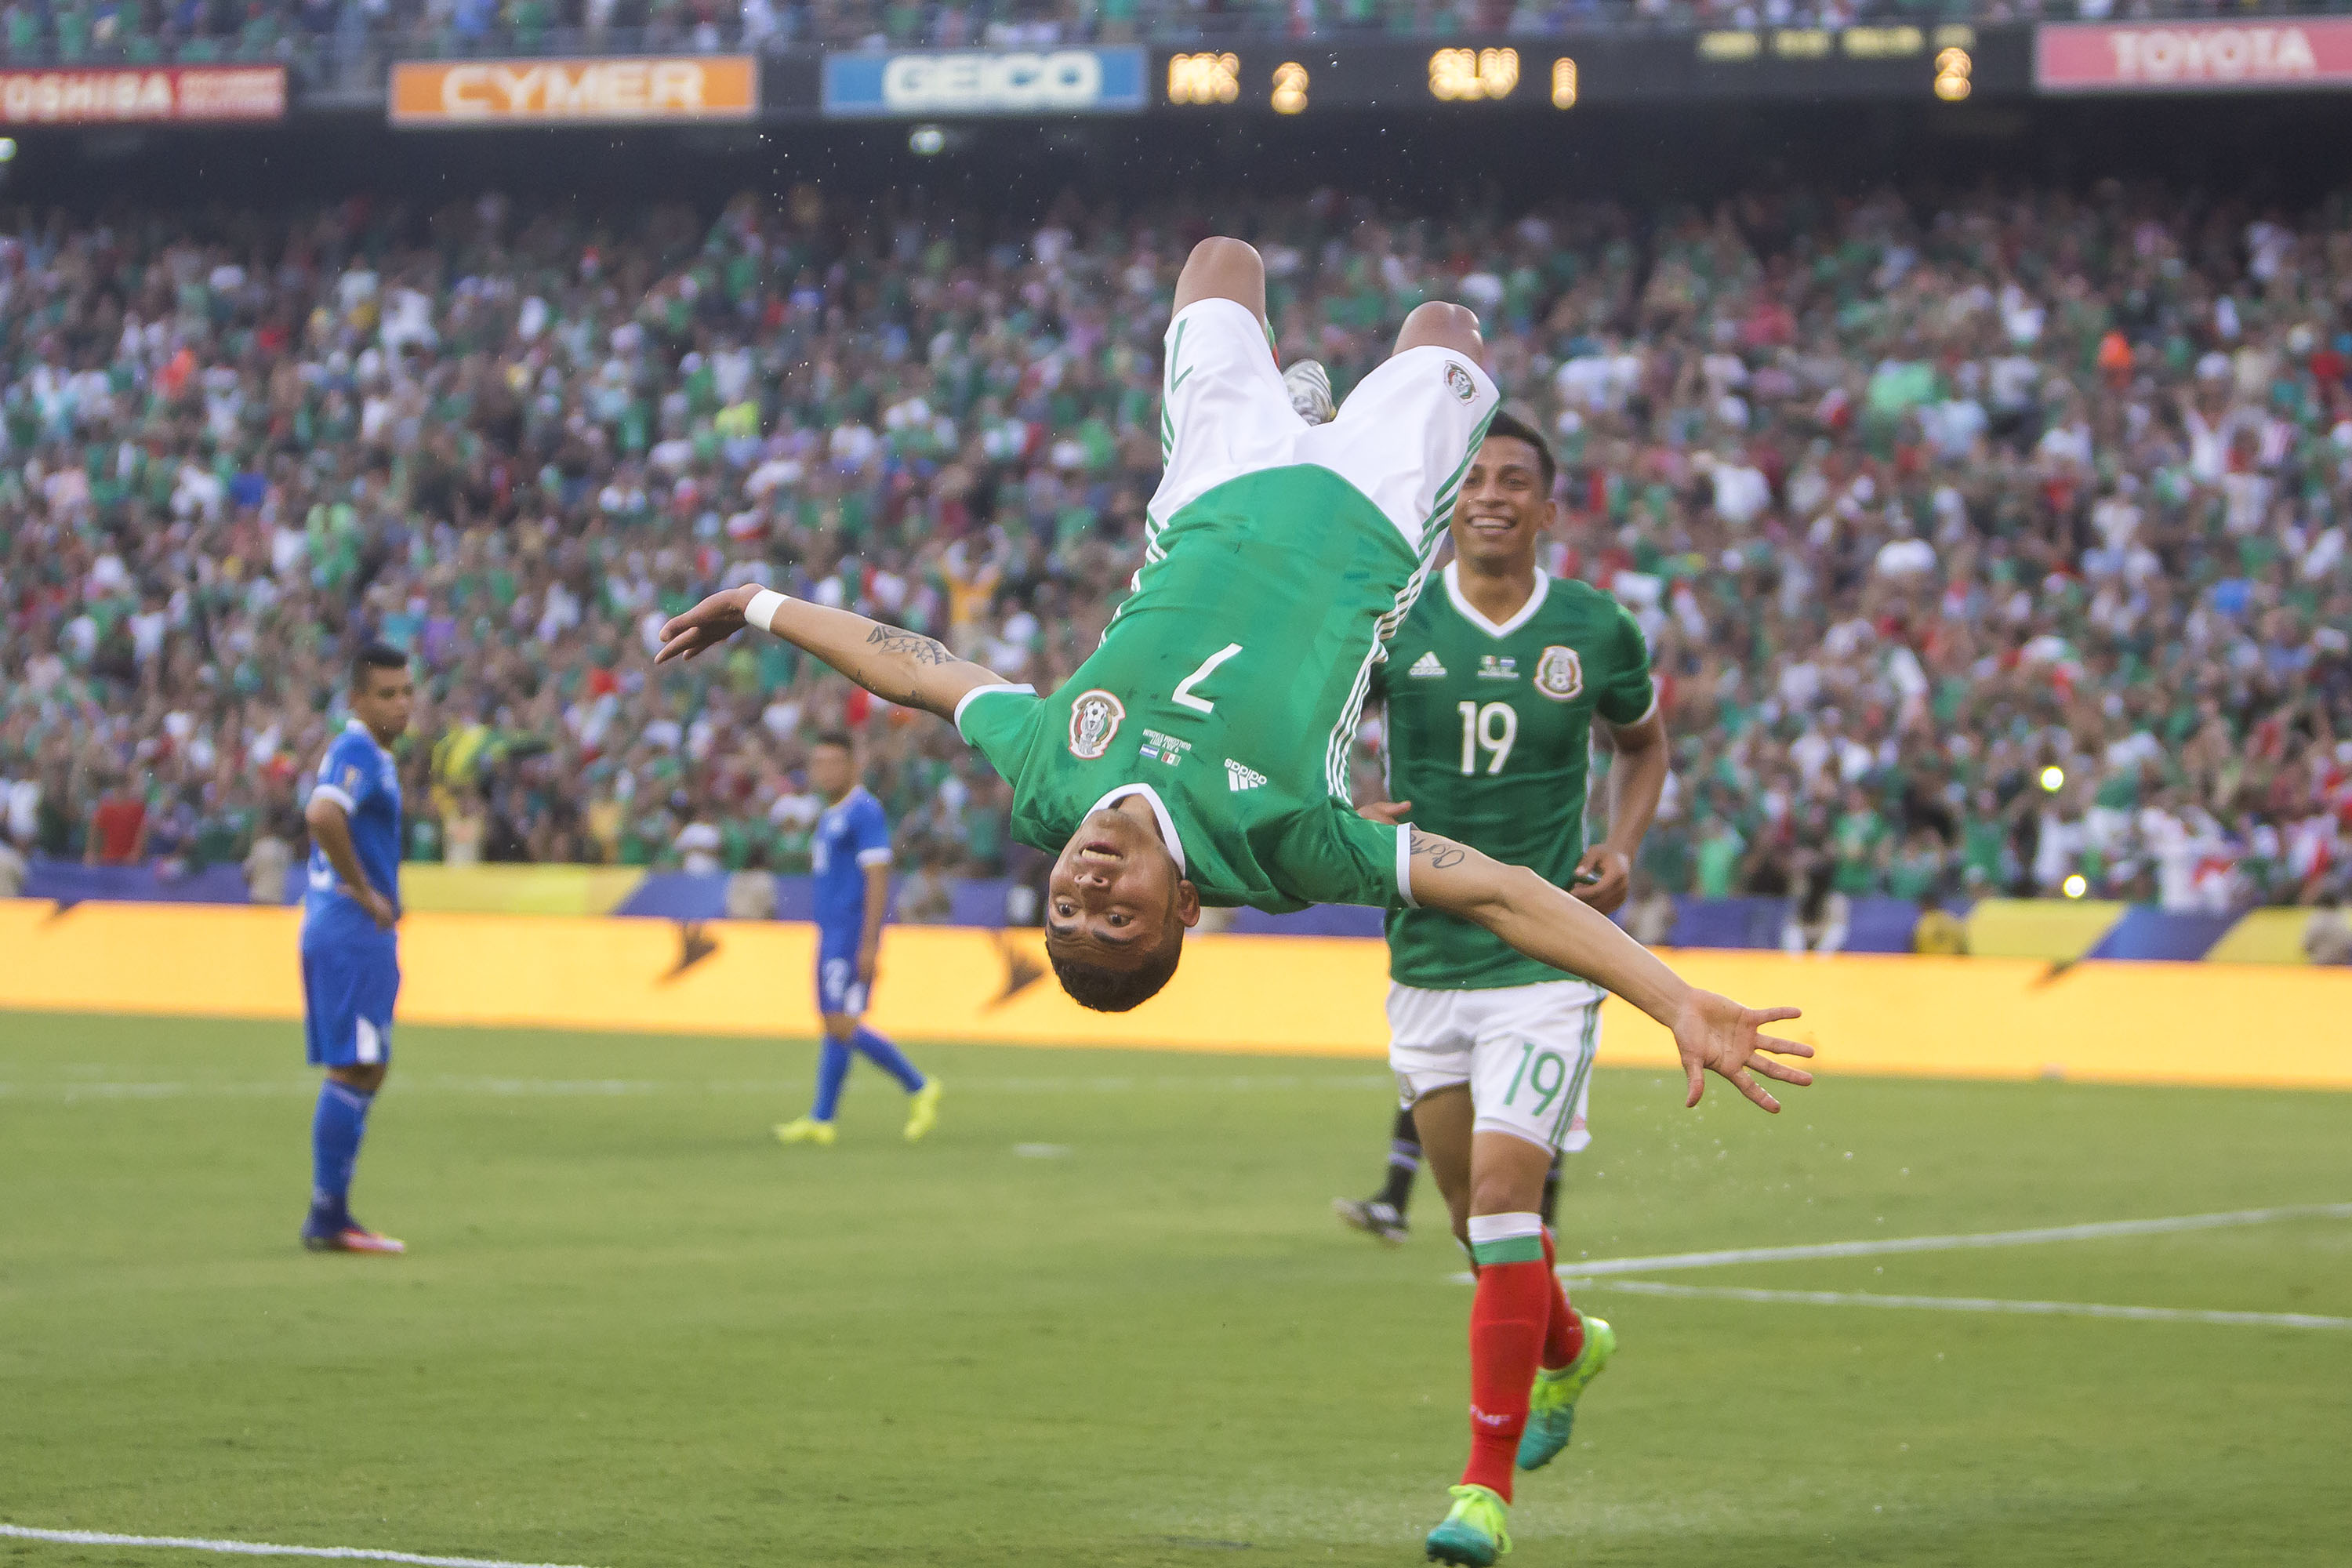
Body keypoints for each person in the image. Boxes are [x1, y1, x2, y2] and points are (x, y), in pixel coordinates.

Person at [652, 240, 1811, 1560]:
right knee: (1441, 319)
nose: (1088, 889)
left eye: (1072, 912)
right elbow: (1491, 889)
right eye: (1119, 917)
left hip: (1209, 491)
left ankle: (1298, 397)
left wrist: (762, 601)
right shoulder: (1283, 840)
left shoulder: (1045, 777)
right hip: (1371, 514)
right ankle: (1506, 1445)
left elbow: (917, 670)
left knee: (1221, 259)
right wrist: (1669, 996)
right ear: (1184, 911)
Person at [1334, 411, 1667, 1256]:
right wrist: (1338, 806)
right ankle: (1564, 1346)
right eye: (1474, 479)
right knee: (1469, 1221)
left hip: (1547, 955)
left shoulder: (1596, 628)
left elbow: (1644, 744)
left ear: (1547, 511)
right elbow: (1313, 728)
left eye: (1513, 481)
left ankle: (1513, 1395)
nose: (1491, 496)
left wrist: (1621, 844)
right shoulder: (1394, 622)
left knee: (1504, 1200)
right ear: (1450, 502)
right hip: (1426, 950)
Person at [297, 645, 414, 1254]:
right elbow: (321, 814)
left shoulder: (377, 757)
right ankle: (328, 1216)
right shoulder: (357, 751)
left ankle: (331, 1212)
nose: (402, 704)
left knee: (368, 1064)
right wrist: (368, 894)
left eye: (406, 692)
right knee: (356, 1065)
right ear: (357, 701)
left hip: (345, 928)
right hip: (349, 931)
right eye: (387, 694)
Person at [774, 731, 942, 1147]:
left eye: (834, 762)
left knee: (838, 1021)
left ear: (853, 765)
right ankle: (822, 1119)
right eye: (818, 762)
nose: (824, 770)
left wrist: (870, 943)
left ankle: (918, 1085)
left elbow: (878, 877)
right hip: (832, 931)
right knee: (835, 1026)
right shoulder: (831, 814)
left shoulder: (864, 812)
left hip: (850, 935)